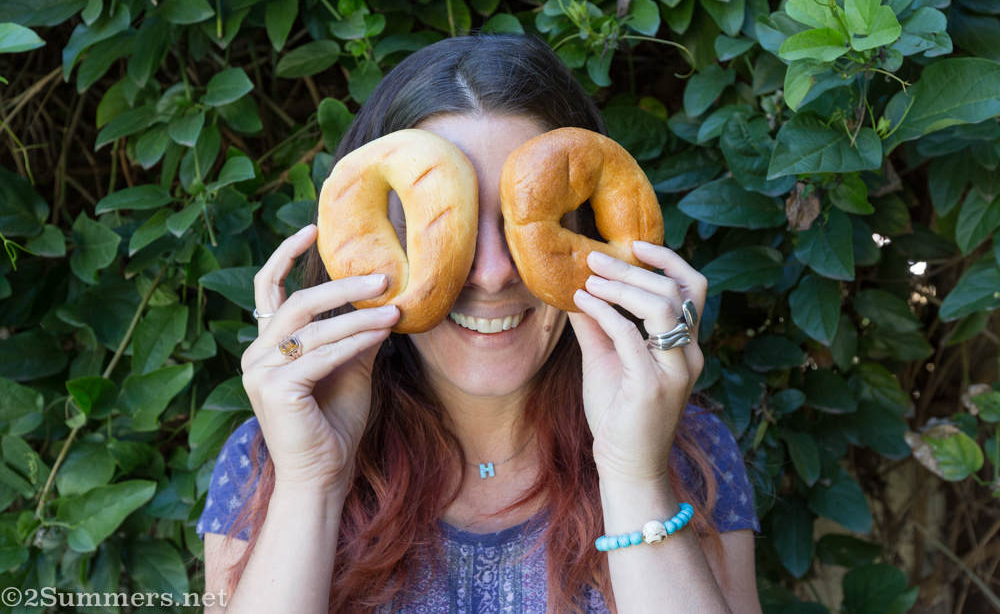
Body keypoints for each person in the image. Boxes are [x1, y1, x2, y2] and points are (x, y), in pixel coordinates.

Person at [198, 33, 761, 613]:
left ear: (590, 225)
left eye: (527, 229)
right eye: (442, 229)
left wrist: (636, 475)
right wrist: (311, 484)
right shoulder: (265, 461)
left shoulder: (688, 453)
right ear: (366, 243)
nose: (492, 274)